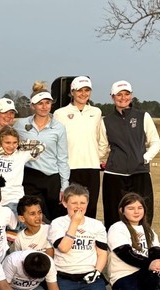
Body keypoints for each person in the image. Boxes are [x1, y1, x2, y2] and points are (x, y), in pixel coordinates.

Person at [102, 80, 160, 227]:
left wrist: (145, 158)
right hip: (114, 174)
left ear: (131, 96)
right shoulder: (106, 121)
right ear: (112, 97)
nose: (123, 98)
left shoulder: (143, 116)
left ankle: (142, 245)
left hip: (139, 173)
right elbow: (102, 147)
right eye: (119, 95)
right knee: (113, 215)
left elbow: (156, 142)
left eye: (126, 94)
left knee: (142, 214)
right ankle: (115, 247)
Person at [53, 76, 107, 219]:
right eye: (79, 90)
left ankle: (88, 240)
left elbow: (102, 140)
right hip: (69, 168)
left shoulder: (96, 112)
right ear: (72, 92)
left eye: (87, 90)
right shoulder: (60, 114)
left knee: (89, 208)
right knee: (68, 208)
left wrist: (97, 156)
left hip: (92, 168)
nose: (83, 94)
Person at [14, 82, 69, 220]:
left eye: (47, 103)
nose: (44, 107)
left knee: (54, 218)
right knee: (36, 217)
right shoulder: (21, 124)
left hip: (52, 177)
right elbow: (10, 145)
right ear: (32, 106)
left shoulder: (59, 127)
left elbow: (62, 158)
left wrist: (64, 186)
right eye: (40, 103)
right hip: (30, 176)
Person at [49, 184, 109, 290]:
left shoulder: (96, 225)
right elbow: (64, 248)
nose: (79, 207)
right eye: (74, 203)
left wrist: (97, 271)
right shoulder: (57, 223)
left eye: (82, 203)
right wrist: (75, 223)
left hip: (88, 275)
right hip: (65, 274)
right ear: (65, 203)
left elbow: (102, 253)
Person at [107, 193, 160, 290]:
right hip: (123, 275)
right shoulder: (117, 228)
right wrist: (149, 264)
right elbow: (125, 253)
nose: (136, 212)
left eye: (139, 208)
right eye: (131, 208)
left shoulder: (148, 230)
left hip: (143, 272)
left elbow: (157, 251)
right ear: (122, 211)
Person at [0, 127, 45, 215]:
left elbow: (41, 145)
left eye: (14, 142)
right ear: (0, 141)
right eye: (7, 142)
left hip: (14, 201)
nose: (11, 146)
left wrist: (20, 145)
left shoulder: (21, 154)